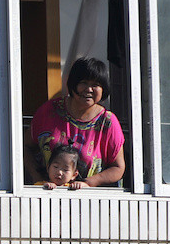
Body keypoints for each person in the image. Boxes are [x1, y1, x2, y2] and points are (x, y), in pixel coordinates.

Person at [28, 57, 126, 187]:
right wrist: (37, 179)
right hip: (46, 195)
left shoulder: (107, 122)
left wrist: (88, 184)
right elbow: (26, 147)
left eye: (95, 85)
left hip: (88, 201)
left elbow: (118, 168)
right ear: (73, 83)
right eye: (84, 83)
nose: (89, 89)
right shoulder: (49, 110)